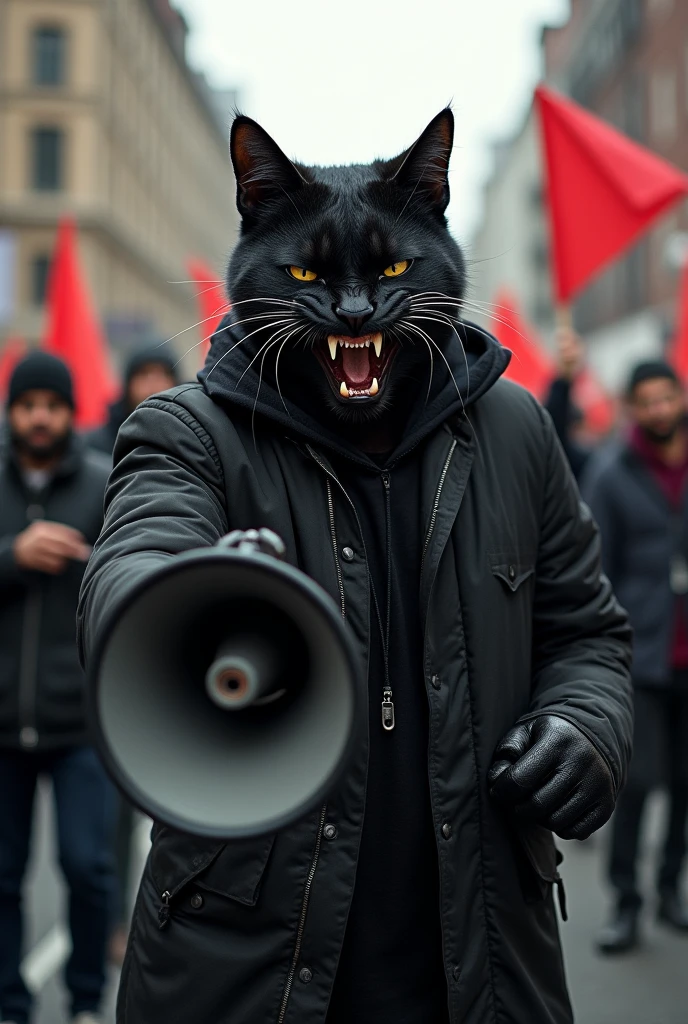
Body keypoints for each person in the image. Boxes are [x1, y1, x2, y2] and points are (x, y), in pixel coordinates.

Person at [78, 111, 632, 1024]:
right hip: (251, 969)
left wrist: (588, 724)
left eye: (388, 274)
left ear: (436, 240)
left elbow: (587, 634)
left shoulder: (518, 430)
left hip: (480, 963)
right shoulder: (188, 433)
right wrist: (200, 603)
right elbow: (129, 573)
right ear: (252, 239)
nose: (350, 306)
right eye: (307, 276)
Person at [0, 352, 115, 1024]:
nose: (39, 416)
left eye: (51, 404)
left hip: (80, 720)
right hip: (3, 722)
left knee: (87, 866)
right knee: (2, 878)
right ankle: (11, 1007)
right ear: (12, 411)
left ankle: (85, 1001)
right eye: (27, 404)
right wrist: (13, 554)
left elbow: (141, 569)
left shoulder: (103, 484)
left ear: (71, 412)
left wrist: (94, 561)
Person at [585, 360, 688, 953]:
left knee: (685, 783)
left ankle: (671, 888)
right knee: (639, 781)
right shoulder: (612, 473)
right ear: (633, 408)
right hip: (641, 655)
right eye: (646, 401)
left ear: (679, 398)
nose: (658, 410)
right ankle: (626, 901)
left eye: (666, 398)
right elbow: (594, 568)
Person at [83, 345, 179, 966]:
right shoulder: (99, 453)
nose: (149, 385)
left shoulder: (201, 436)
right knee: (108, 826)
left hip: (180, 655)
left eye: (159, 378)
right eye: (139, 376)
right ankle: (118, 926)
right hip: (109, 664)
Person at [85, 347, 179, 456]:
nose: (153, 384)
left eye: (162, 374)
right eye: (144, 374)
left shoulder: (187, 441)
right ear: (128, 383)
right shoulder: (94, 447)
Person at [544, 326, 591, 480]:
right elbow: (554, 430)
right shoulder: (570, 458)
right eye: (575, 429)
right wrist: (564, 378)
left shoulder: (603, 459)